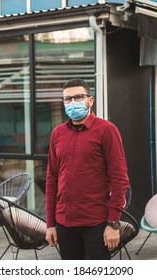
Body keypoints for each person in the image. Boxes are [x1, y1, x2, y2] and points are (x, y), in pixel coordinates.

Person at [45, 78, 130, 260]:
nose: (72, 102)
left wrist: (113, 224)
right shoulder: (57, 133)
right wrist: (50, 223)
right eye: (68, 99)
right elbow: (52, 178)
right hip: (64, 223)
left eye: (78, 97)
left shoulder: (107, 130)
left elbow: (119, 179)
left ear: (90, 100)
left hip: (96, 223)